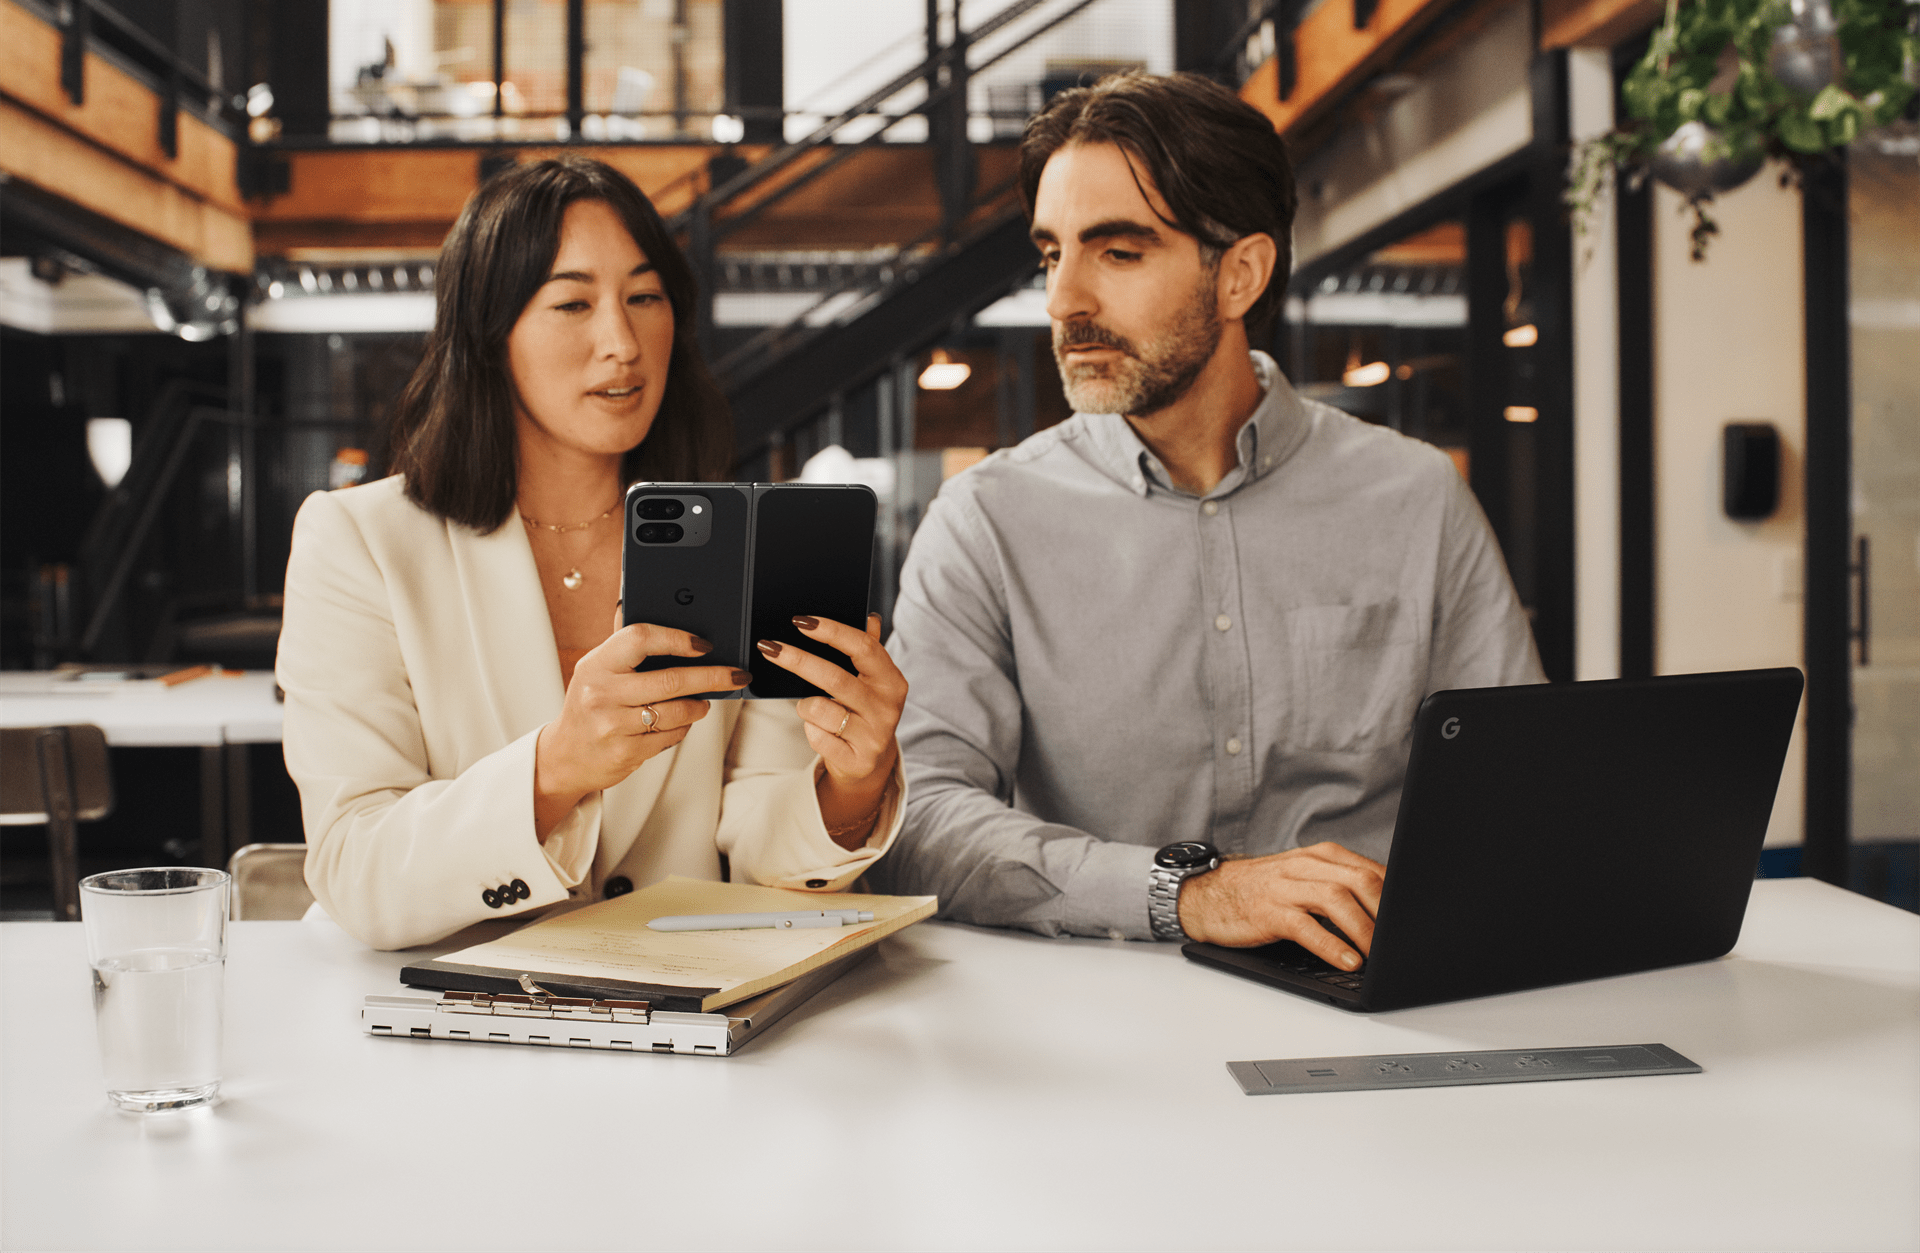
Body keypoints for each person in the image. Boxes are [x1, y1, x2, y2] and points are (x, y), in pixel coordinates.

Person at [873, 73, 1542, 968]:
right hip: (1105, 1014)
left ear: (1240, 274)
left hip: (1373, 1001)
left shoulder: (1415, 498)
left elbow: (1514, 791)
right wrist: (1187, 896)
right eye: (1051, 254)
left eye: (1118, 253)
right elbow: (920, 821)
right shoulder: (986, 521)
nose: (1065, 300)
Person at [277, 156, 907, 950]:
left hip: (686, 1014)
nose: (623, 341)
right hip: (440, 1019)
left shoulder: (743, 541)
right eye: (573, 302)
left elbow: (758, 846)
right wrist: (554, 771)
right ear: (489, 331)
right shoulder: (361, 539)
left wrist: (852, 782)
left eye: (646, 298)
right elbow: (354, 865)